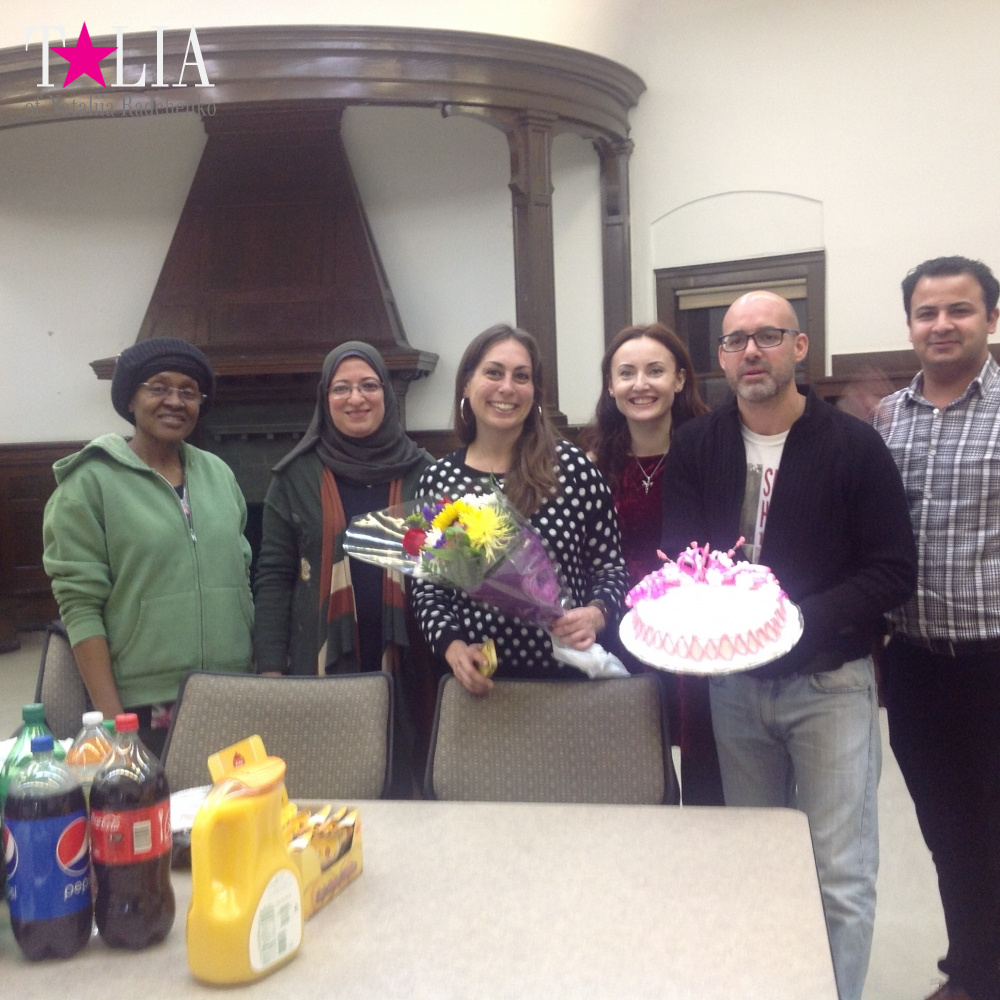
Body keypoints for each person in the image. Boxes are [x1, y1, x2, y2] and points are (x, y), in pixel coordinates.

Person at [660, 291, 917, 1000]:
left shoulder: (853, 446)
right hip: (735, 691)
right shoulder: (697, 445)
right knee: (759, 863)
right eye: (735, 340)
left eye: (768, 336)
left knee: (839, 874)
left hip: (829, 686)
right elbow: (682, 558)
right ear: (720, 359)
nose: (751, 351)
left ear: (799, 348)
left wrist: (793, 621)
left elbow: (893, 571)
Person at [872, 256, 1000, 1000]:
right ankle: (973, 973)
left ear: (991, 318)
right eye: (927, 313)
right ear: (911, 325)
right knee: (951, 836)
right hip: (916, 664)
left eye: (960, 310)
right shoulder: (887, 420)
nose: (942, 325)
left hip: (995, 660)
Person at [43, 337, 253, 756]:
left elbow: (242, 575)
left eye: (188, 391)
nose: (174, 401)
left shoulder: (219, 474)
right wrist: (113, 724)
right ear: (130, 398)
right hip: (142, 706)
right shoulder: (87, 484)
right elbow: (80, 607)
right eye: (158, 387)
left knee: (238, 798)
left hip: (232, 692)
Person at [410, 323, 629, 696]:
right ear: (466, 384)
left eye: (521, 376)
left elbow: (611, 570)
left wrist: (597, 613)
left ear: (535, 392)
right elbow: (428, 589)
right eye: (494, 373)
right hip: (482, 686)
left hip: (571, 680)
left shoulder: (573, 470)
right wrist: (453, 648)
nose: (507, 387)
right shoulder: (439, 480)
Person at [253, 342, 432, 793]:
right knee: (328, 786)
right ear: (325, 398)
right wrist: (271, 668)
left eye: (369, 385)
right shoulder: (294, 476)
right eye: (342, 388)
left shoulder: (424, 472)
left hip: (411, 661)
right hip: (319, 657)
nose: (356, 398)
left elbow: (447, 569)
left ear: (387, 394)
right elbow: (273, 576)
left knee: (408, 787)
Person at [581, 321, 722, 804]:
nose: (640, 384)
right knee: (630, 767)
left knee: (706, 765)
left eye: (655, 371)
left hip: (693, 628)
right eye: (626, 373)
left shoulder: (710, 451)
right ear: (610, 386)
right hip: (617, 622)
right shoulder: (593, 462)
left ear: (680, 379)